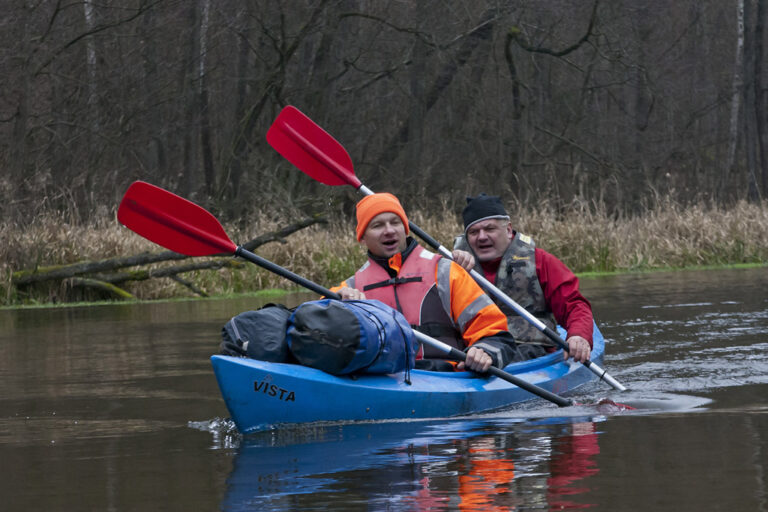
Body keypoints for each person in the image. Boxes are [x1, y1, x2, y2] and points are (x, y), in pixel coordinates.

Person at [333, 192, 524, 373]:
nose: (389, 230)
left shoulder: (445, 271)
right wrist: (336, 305)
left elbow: (494, 332)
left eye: (395, 222)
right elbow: (321, 326)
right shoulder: (350, 288)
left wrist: (485, 351)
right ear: (362, 237)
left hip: (446, 377)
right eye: (377, 226)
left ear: (405, 229)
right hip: (382, 379)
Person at [452, 193, 594, 363]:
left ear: (508, 230)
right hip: (473, 350)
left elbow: (574, 305)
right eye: (474, 232)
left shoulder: (541, 261)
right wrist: (452, 267)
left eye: (490, 229)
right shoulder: (451, 267)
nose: (482, 237)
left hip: (530, 350)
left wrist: (579, 334)